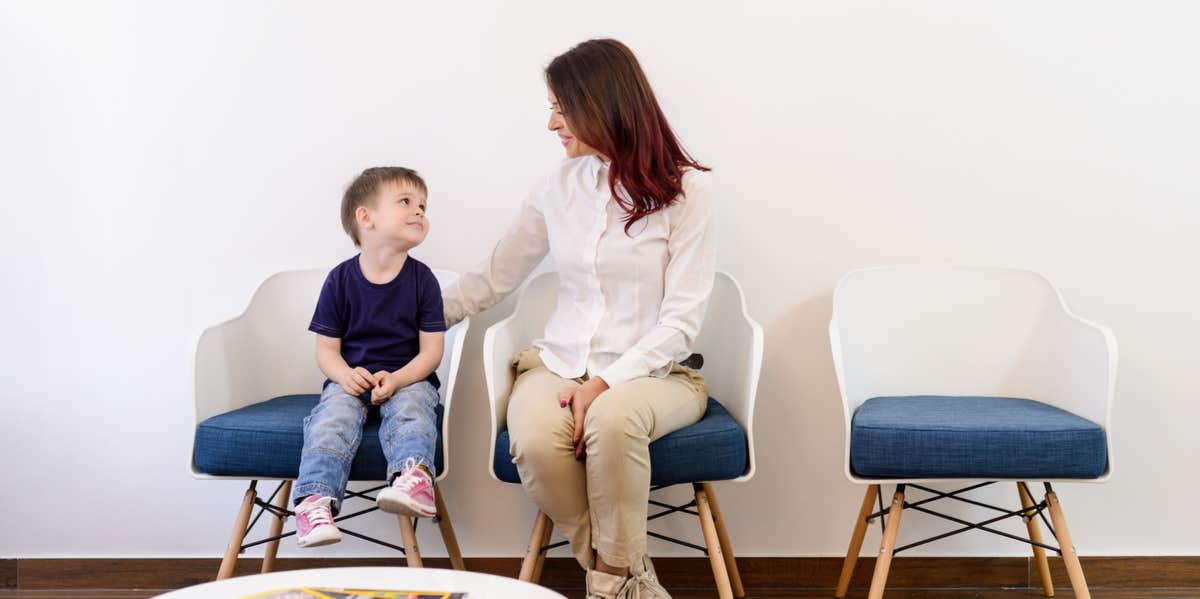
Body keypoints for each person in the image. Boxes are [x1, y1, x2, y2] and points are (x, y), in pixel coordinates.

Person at [442, 39, 716, 598]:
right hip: (558, 363)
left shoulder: (688, 193)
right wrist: (399, 320)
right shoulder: (557, 187)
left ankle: (608, 583)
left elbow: (681, 323)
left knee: (611, 419)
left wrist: (605, 383)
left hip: (657, 375)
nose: (550, 124)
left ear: (601, 104)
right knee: (539, 442)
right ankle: (626, 579)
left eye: (561, 109)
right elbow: (494, 276)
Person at [292, 167, 447, 548]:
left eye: (423, 206)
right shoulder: (340, 279)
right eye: (406, 202)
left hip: (407, 380)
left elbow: (432, 352)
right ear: (366, 217)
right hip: (352, 381)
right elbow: (326, 350)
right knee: (332, 418)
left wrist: (397, 379)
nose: (419, 212)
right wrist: (345, 377)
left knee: (414, 409)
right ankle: (315, 501)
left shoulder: (422, 280)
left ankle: (414, 480)